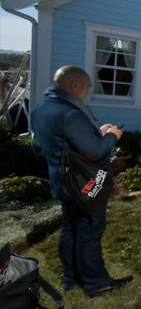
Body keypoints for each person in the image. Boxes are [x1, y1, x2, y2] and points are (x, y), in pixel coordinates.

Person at [29, 65, 132, 297]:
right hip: (83, 184)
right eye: (86, 88)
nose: (87, 92)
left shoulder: (41, 107)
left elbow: (62, 142)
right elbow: (95, 152)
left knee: (70, 229)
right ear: (74, 84)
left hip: (61, 180)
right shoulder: (70, 113)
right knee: (89, 231)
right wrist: (111, 136)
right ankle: (96, 282)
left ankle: (71, 276)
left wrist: (97, 131)